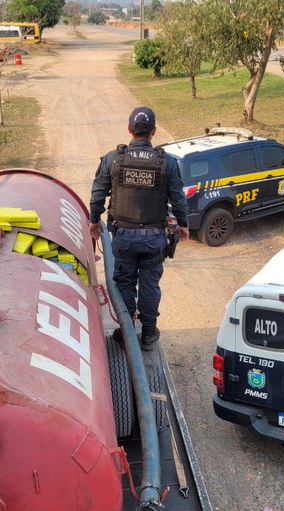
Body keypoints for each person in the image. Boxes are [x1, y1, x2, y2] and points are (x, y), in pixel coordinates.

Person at [88, 106, 189, 351]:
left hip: (122, 237)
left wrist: (94, 221)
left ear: (129, 130)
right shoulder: (167, 162)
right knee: (150, 285)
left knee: (124, 282)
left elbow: (97, 194)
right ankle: (149, 334)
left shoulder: (113, 159)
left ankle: (126, 333)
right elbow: (178, 199)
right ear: (154, 132)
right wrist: (184, 226)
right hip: (154, 238)